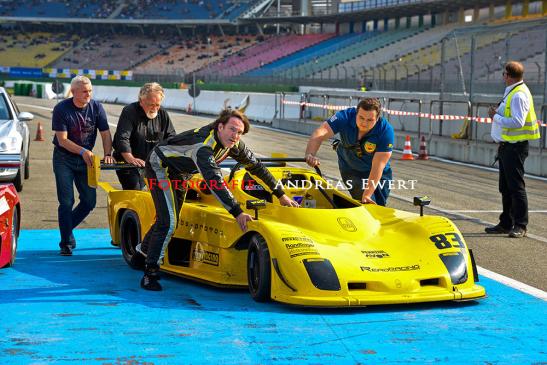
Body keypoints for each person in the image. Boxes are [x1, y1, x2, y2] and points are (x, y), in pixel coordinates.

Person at [136, 108, 299, 291]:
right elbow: (216, 183)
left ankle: (142, 251)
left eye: (239, 132)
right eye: (232, 129)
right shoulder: (203, 147)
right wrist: (237, 212)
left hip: (181, 172)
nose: (235, 136)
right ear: (220, 127)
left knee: (170, 217)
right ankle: (150, 274)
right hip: (160, 167)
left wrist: (281, 194)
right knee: (169, 222)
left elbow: (257, 167)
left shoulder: (234, 143)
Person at [52, 76, 114, 256]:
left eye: (90, 91)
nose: (89, 94)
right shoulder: (61, 109)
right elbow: (62, 140)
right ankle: (66, 243)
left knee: (89, 201)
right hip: (64, 158)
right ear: (73, 92)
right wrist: (83, 151)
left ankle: (66, 228)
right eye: (84, 91)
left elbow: (105, 134)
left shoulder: (96, 107)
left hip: (86, 160)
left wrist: (108, 154)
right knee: (66, 201)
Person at [485, 61, 540, 238]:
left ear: (508, 75)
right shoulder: (513, 92)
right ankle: (506, 222)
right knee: (505, 187)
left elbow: (517, 121)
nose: (503, 77)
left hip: (515, 147)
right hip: (507, 146)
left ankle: (521, 225)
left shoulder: (518, 95)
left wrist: (496, 117)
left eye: (504, 74)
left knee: (516, 187)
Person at [305, 98, 394, 206]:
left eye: (369, 120)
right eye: (361, 118)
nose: (364, 123)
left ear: (377, 118)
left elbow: (378, 166)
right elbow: (320, 133)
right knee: (363, 203)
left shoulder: (386, 131)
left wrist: (367, 195)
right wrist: (310, 154)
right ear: (356, 113)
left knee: (378, 205)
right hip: (351, 167)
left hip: (377, 171)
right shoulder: (344, 116)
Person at [113, 82, 176, 190]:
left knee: (164, 192)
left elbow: (171, 138)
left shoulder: (163, 114)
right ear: (141, 101)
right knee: (135, 191)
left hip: (153, 162)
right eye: (151, 104)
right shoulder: (129, 111)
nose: (155, 108)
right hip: (128, 162)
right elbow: (122, 137)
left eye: (158, 105)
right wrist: (130, 158)